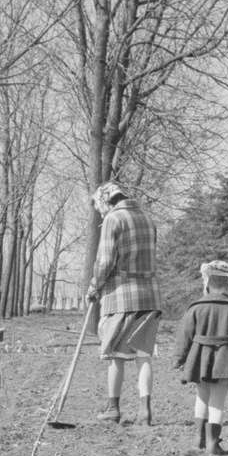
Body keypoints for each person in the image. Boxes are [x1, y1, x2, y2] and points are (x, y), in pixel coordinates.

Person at [85, 181, 162, 425]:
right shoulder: (148, 220)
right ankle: (145, 409)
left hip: (120, 298)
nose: (100, 212)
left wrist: (94, 288)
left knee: (116, 355)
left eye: (99, 207)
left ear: (106, 201)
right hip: (149, 296)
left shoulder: (113, 219)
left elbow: (105, 260)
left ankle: (113, 408)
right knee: (144, 355)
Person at [173, 260, 228, 455]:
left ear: (207, 283)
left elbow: (184, 335)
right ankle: (212, 443)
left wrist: (179, 358)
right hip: (225, 359)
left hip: (199, 359)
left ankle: (199, 438)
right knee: (217, 400)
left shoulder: (195, 308)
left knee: (202, 397)